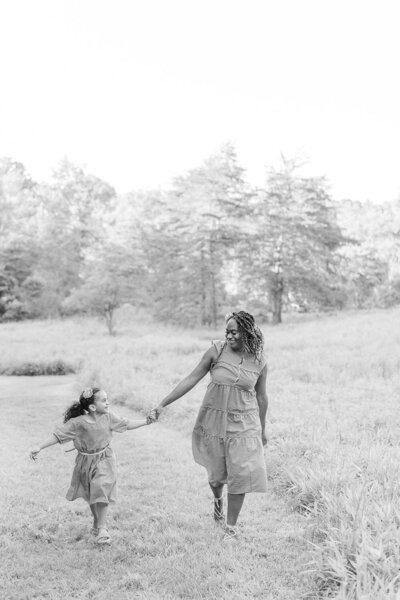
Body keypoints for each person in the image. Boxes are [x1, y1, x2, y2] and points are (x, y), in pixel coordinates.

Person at [150, 310, 268, 541]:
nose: (229, 336)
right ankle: (217, 500)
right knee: (216, 475)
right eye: (227, 332)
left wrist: (263, 430)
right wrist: (163, 404)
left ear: (247, 331)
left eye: (234, 332)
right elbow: (191, 378)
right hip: (214, 421)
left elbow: (262, 397)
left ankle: (231, 527)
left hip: (245, 423)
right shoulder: (217, 351)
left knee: (241, 473)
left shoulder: (260, 361)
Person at [29, 387, 154, 545]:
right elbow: (58, 435)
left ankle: (102, 529)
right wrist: (39, 447)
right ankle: (97, 523)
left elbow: (126, 423)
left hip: (104, 458)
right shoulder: (78, 423)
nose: (107, 402)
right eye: (103, 400)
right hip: (85, 462)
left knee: (101, 486)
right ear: (93, 407)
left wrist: (146, 421)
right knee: (92, 493)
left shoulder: (108, 417)